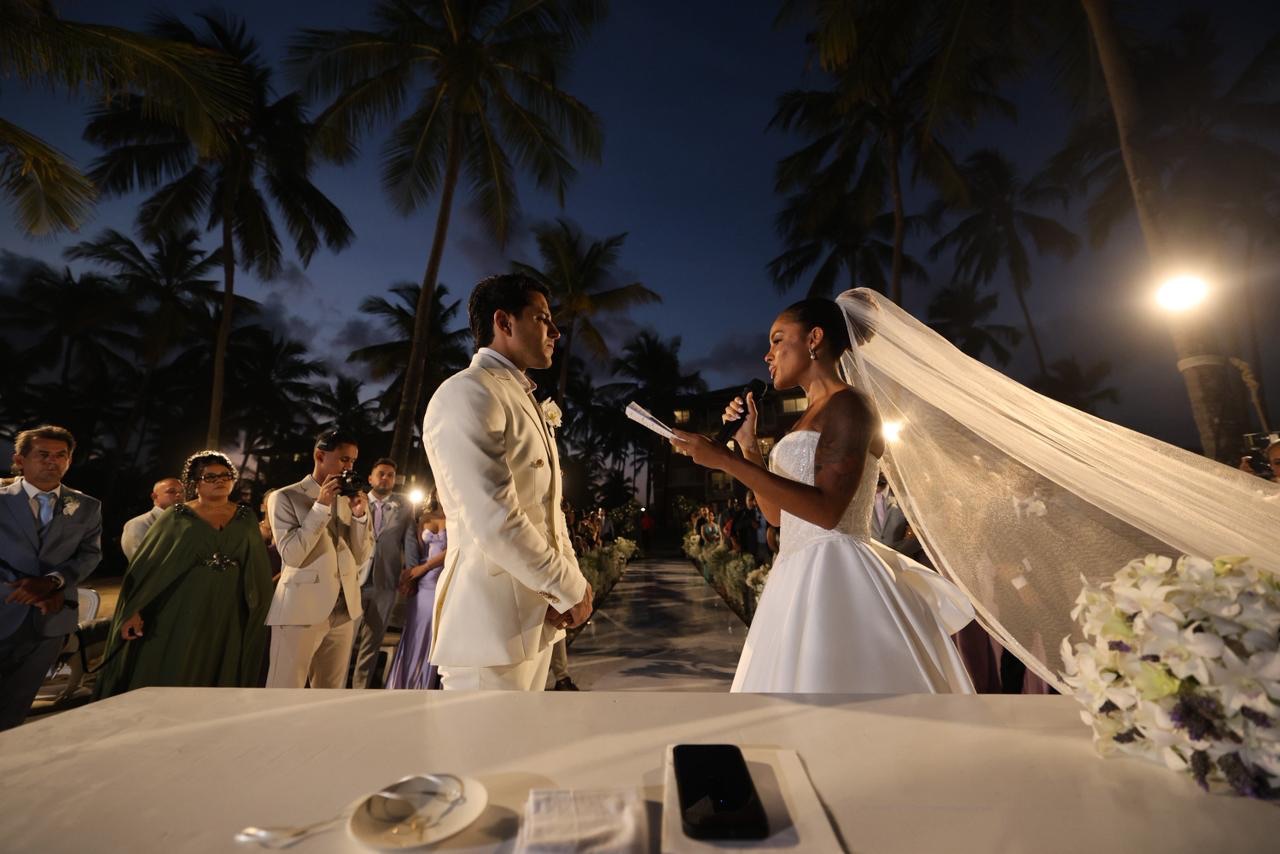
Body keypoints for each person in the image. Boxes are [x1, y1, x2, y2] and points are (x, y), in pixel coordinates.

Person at [672, 297, 974, 693]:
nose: (768, 354)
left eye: (778, 340)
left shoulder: (850, 406)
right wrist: (748, 448)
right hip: (794, 572)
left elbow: (828, 512)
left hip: (837, 570)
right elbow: (779, 516)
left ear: (814, 338)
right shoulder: (805, 418)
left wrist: (722, 462)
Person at [422, 273, 591, 691]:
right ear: (504, 321)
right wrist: (567, 587)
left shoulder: (520, 396)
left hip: (537, 618)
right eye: (542, 318)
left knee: (524, 755)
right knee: (483, 755)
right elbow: (494, 518)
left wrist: (571, 585)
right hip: (489, 623)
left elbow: (550, 512)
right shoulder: (468, 392)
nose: (554, 331)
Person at [93, 452, 273, 698]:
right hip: (182, 603)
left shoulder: (246, 517)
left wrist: (258, 603)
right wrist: (134, 609)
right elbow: (148, 566)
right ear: (195, 482)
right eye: (210, 476)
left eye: (225, 475)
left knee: (218, 657)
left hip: (228, 605)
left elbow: (256, 564)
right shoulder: (177, 516)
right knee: (177, 656)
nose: (220, 481)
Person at [0, 426, 102, 729]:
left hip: (51, 620)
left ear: (69, 461)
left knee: (17, 707)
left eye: (61, 455)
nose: (52, 461)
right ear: (20, 459)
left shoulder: (87, 506)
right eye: (42, 454)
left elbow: (90, 555)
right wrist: (24, 588)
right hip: (3, 607)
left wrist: (54, 582)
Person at [264, 429, 371, 689]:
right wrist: (321, 506)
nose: (349, 467)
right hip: (300, 610)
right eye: (344, 459)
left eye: (353, 461)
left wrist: (359, 516)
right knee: (283, 690)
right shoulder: (285, 497)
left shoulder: (349, 499)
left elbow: (360, 556)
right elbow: (292, 555)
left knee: (330, 697)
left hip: (344, 611)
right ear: (320, 455)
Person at [349, 457, 414, 689]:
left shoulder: (405, 505)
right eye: (381, 473)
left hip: (386, 581)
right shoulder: (354, 500)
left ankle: (360, 689)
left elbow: (409, 541)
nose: (385, 478)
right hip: (354, 580)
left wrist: (410, 573)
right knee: (345, 638)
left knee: (372, 640)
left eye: (390, 475)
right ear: (370, 478)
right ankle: (333, 689)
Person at [385, 502, 447, 689]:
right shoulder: (423, 519)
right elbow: (415, 551)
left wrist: (425, 567)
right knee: (414, 633)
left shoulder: (458, 518)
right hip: (421, 582)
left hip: (442, 580)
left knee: (433, 635)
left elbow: (455, 550)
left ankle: (425, 686)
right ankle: (406, 684)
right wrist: (410, 576)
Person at [120, 478, 184, 560]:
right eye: (171, 492)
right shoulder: (138, 524)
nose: (179, 495)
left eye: (182, 492)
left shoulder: (188, 521)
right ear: (154, 496)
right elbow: (141, 562)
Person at [869, 474, 923, 561]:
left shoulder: (906, 500)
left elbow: (920, 538)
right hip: (865, 559)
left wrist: (894, 555)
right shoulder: (857, 496)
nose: (881, 469)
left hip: (898, 564)